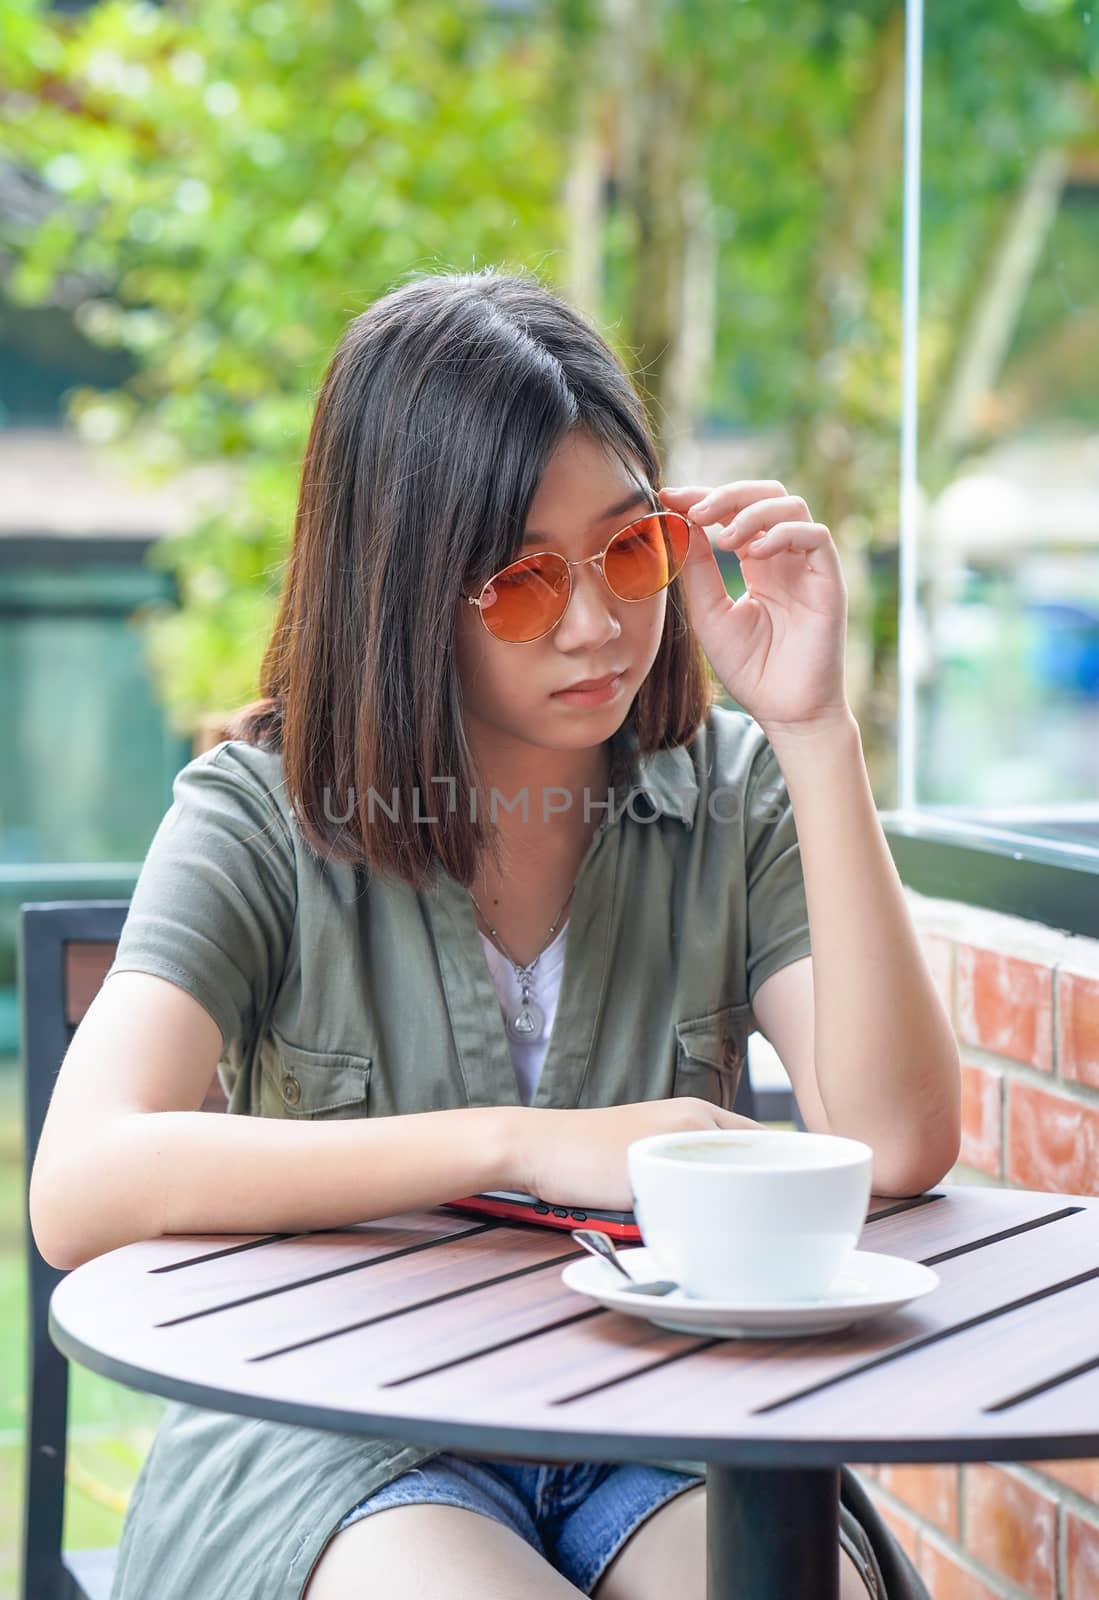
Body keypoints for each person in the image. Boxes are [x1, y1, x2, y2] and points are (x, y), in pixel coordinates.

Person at [29, 268, 959, 1600]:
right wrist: (528, 1145)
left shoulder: (733, 793)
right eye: (522, 583)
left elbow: (900, 1144)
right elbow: (80, 1182)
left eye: (632, 552)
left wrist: (816, 731)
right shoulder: (261, 814)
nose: (597, 627)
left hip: (666, 1415)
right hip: (336, 1425)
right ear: (402, 590)